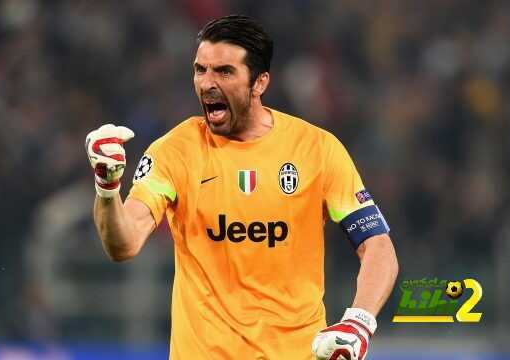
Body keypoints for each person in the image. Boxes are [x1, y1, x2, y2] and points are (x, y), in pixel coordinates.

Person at [85, 15, 398, 360]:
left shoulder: (316, 150)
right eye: (200, 69)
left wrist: (358, 322)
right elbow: (124, 243)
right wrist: (107, 186)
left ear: (260, 82)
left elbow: (377, 246)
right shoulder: (175, 151)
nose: (207, 83)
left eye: (224, 72)